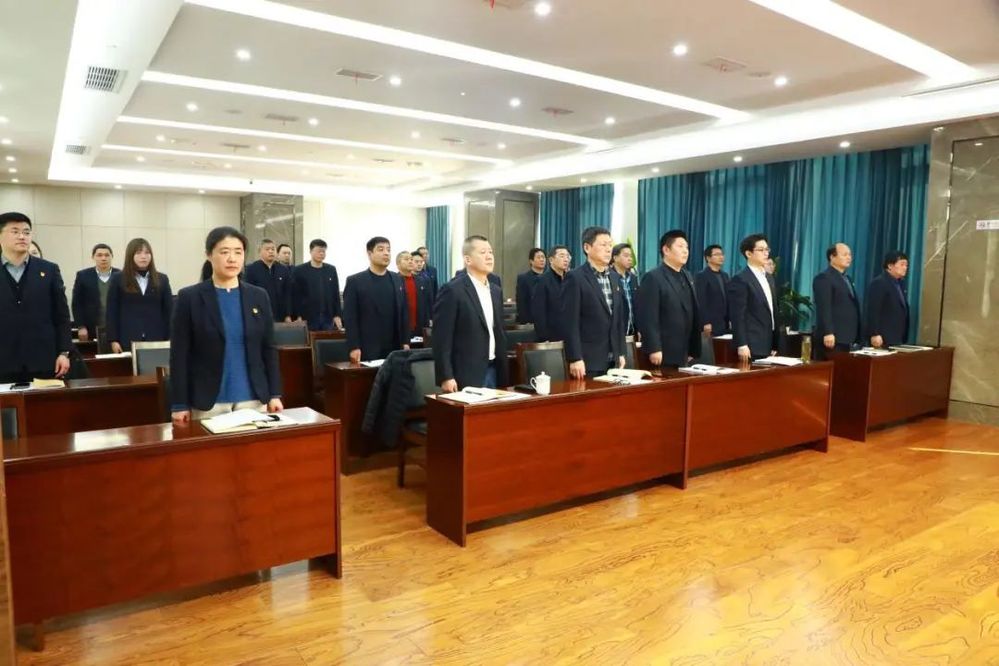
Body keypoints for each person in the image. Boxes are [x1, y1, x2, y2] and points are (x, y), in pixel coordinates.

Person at [169, 226, 283, 424]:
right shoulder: (189, 297)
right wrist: (179, 404)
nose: (232, 259)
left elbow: (268, 348)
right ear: (209, 255)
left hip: (253, 398)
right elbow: (179, 355)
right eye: (224, 252)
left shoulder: (258, 296)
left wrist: (275, 393)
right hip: (208, 401)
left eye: (238, 252)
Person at [0, 212, 72, 382]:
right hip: (3, 360)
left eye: (26, 232)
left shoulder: (49, 270)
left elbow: (61, 316)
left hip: (43, 359)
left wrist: (64, 352)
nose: (22, 236)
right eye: (15, 231)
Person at [433, 235, 507, 391]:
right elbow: (441, 338)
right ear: (468, 259)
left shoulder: (496, 291)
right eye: (483, 252)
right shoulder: (452, 290)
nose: (489, 256)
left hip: (495, 368)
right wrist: (446, 376)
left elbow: (498, 331)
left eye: (490, 252)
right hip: (466, 372)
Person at [562, 226, 627, 379]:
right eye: (603, 245)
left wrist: (621, 352)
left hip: (613, 358)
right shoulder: (575, 277)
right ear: (587, 247)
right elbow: (570, 322)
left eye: (610, 245)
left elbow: (618, 319)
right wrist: (575, 357)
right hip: (587, 360)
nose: (608, 249)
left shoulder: (615, 277)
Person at [637, 230, 701, 368]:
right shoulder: (653, 277)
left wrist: (693, 348)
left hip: (685, 349)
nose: (685, 251)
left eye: (687, 247)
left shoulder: (688, 276)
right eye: (680, 246)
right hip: (663, 350)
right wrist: (654, 348)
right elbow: (648, 317)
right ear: (666, 250)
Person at [342, 237, 409, 363]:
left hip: (395, 346)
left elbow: (404, 312)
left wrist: (405, 341)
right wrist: (354, 346)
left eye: (388, 250)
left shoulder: (397, 279)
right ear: (369, 253)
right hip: (368, 347)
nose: (386, 253)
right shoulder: (355, 281)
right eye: (381, 249)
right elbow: (350, 318)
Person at [106, 237, 172, 352]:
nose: (143, 256)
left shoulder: (162, 279)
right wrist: (113, 340)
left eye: (147, 253)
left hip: (157, 338)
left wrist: (171, 337)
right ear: (130, 255)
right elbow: (112, 311)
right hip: (127, 337)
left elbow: (169, 311)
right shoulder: (118, 278)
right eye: (138, 253)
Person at [727, 233, 778, 361]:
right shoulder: (741, 279)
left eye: (767, 249)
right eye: (761, 250)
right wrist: (742, 344)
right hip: (751, 344)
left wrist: (775, 342)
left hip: (769, 341)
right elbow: (737, 315)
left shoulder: (769, 278)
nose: (766, 253)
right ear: (749, 254)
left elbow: (773, 310)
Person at [812, 242, 861, 360]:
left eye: (850, 255)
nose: (849, 257)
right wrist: (828, 332)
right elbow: (824, 307)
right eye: (844, 254)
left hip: (848, 337)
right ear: (832, 257)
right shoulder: (824, 278)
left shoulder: (847, 278)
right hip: (833, 338)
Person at [71, 243, 119, 343]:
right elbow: (77, 303)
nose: (103, 258)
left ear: (112, 257)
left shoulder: (120, 275)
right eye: (99, 255)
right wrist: (81, 326)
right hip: (91, 328)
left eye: (107, 255)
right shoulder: (83, 276)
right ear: (93, 257)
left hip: (116, 327)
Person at [291, 239, 342, 331]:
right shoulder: (299, 270)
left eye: (323, 251)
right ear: (310, 251)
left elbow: (335, 293)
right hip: (307, 317)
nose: (321, 254)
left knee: (327, 339)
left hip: (327, 317)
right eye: (319, 251)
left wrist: (337, 315)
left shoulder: (331, 269)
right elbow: (295, 295)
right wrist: (297, 315)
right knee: (309, 339)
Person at [866, 251, 910, 348]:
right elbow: (873, 310)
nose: (905, 268)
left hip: (898, 336)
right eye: (902, 264)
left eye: (906, 265)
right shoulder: (880, 282)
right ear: (890, 266)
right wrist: (874, 333)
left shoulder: (901, 284)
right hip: (883, 338)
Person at [244, 238, 292, 322]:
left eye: (273, 249)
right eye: (267, 249)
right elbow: (247, 294)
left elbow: (287, 294)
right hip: (258, 315)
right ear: (260, 251)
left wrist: (288, 315)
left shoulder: (283, 269)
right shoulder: (251, 269)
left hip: (280, 315)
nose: (271, 251)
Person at [532, 245, 571, 342]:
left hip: (570, 334)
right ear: (551, 260)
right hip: (551, 336)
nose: (566, 259)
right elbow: (539, 312)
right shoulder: (542, 280)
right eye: (562, 256)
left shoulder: (571, 279)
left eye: (567, 256)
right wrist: (544, 337)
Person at [694, 244, 730, 336]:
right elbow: (701, 301)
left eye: (722, 254)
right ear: (708, 258)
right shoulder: (702, 276)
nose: (721, 257)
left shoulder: (725, 276)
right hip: (710, 323)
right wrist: (705, 322)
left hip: (724, 322)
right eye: (717, 254)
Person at [396, 250, 432, 338]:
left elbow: (427, 304)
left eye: (411, 259)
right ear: (398, 264)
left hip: (419, 327)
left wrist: (428, 322)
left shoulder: (421, 281)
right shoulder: (394, 281)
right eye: (406, 259)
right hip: (400, 328)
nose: (410, 261)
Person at [611, 243, 639, 336]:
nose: (630, 259)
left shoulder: (633, 278)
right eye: (626, 256)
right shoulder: (609, 277)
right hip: (616, 332)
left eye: (630, 256)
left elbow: (637, 304)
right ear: (615, 258)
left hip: (632, 331)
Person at [515, 247, 546, 324]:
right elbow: (521, 303)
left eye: (543, 257)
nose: (542, 259)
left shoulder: (550, 277)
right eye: (538, 257)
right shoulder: (523, 278)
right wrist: (525, 321)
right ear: (531, 261)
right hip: (530, 321)